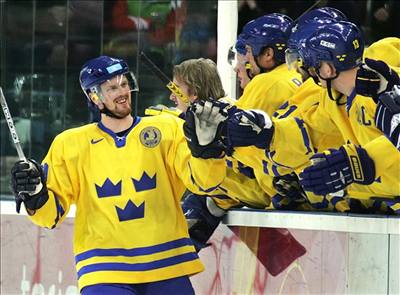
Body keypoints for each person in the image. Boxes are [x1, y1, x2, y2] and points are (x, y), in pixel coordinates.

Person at [10, 55, 228, 294]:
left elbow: (204, 182)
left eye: (124, 84)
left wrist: (207, 151)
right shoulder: (70, 144)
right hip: (104, 269)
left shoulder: (167, 128)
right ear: (94, 96)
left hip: (168, 263)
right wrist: (36, 194)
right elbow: (50, 216)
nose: (122, 91)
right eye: (112, 88)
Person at [222, 21, 400, 213]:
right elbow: (308, 133)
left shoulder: (382, 90)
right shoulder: (333, 99)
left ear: (328, 69)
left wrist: (366, 161)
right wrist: (269, 134)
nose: (306, 70)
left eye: (312, 64)